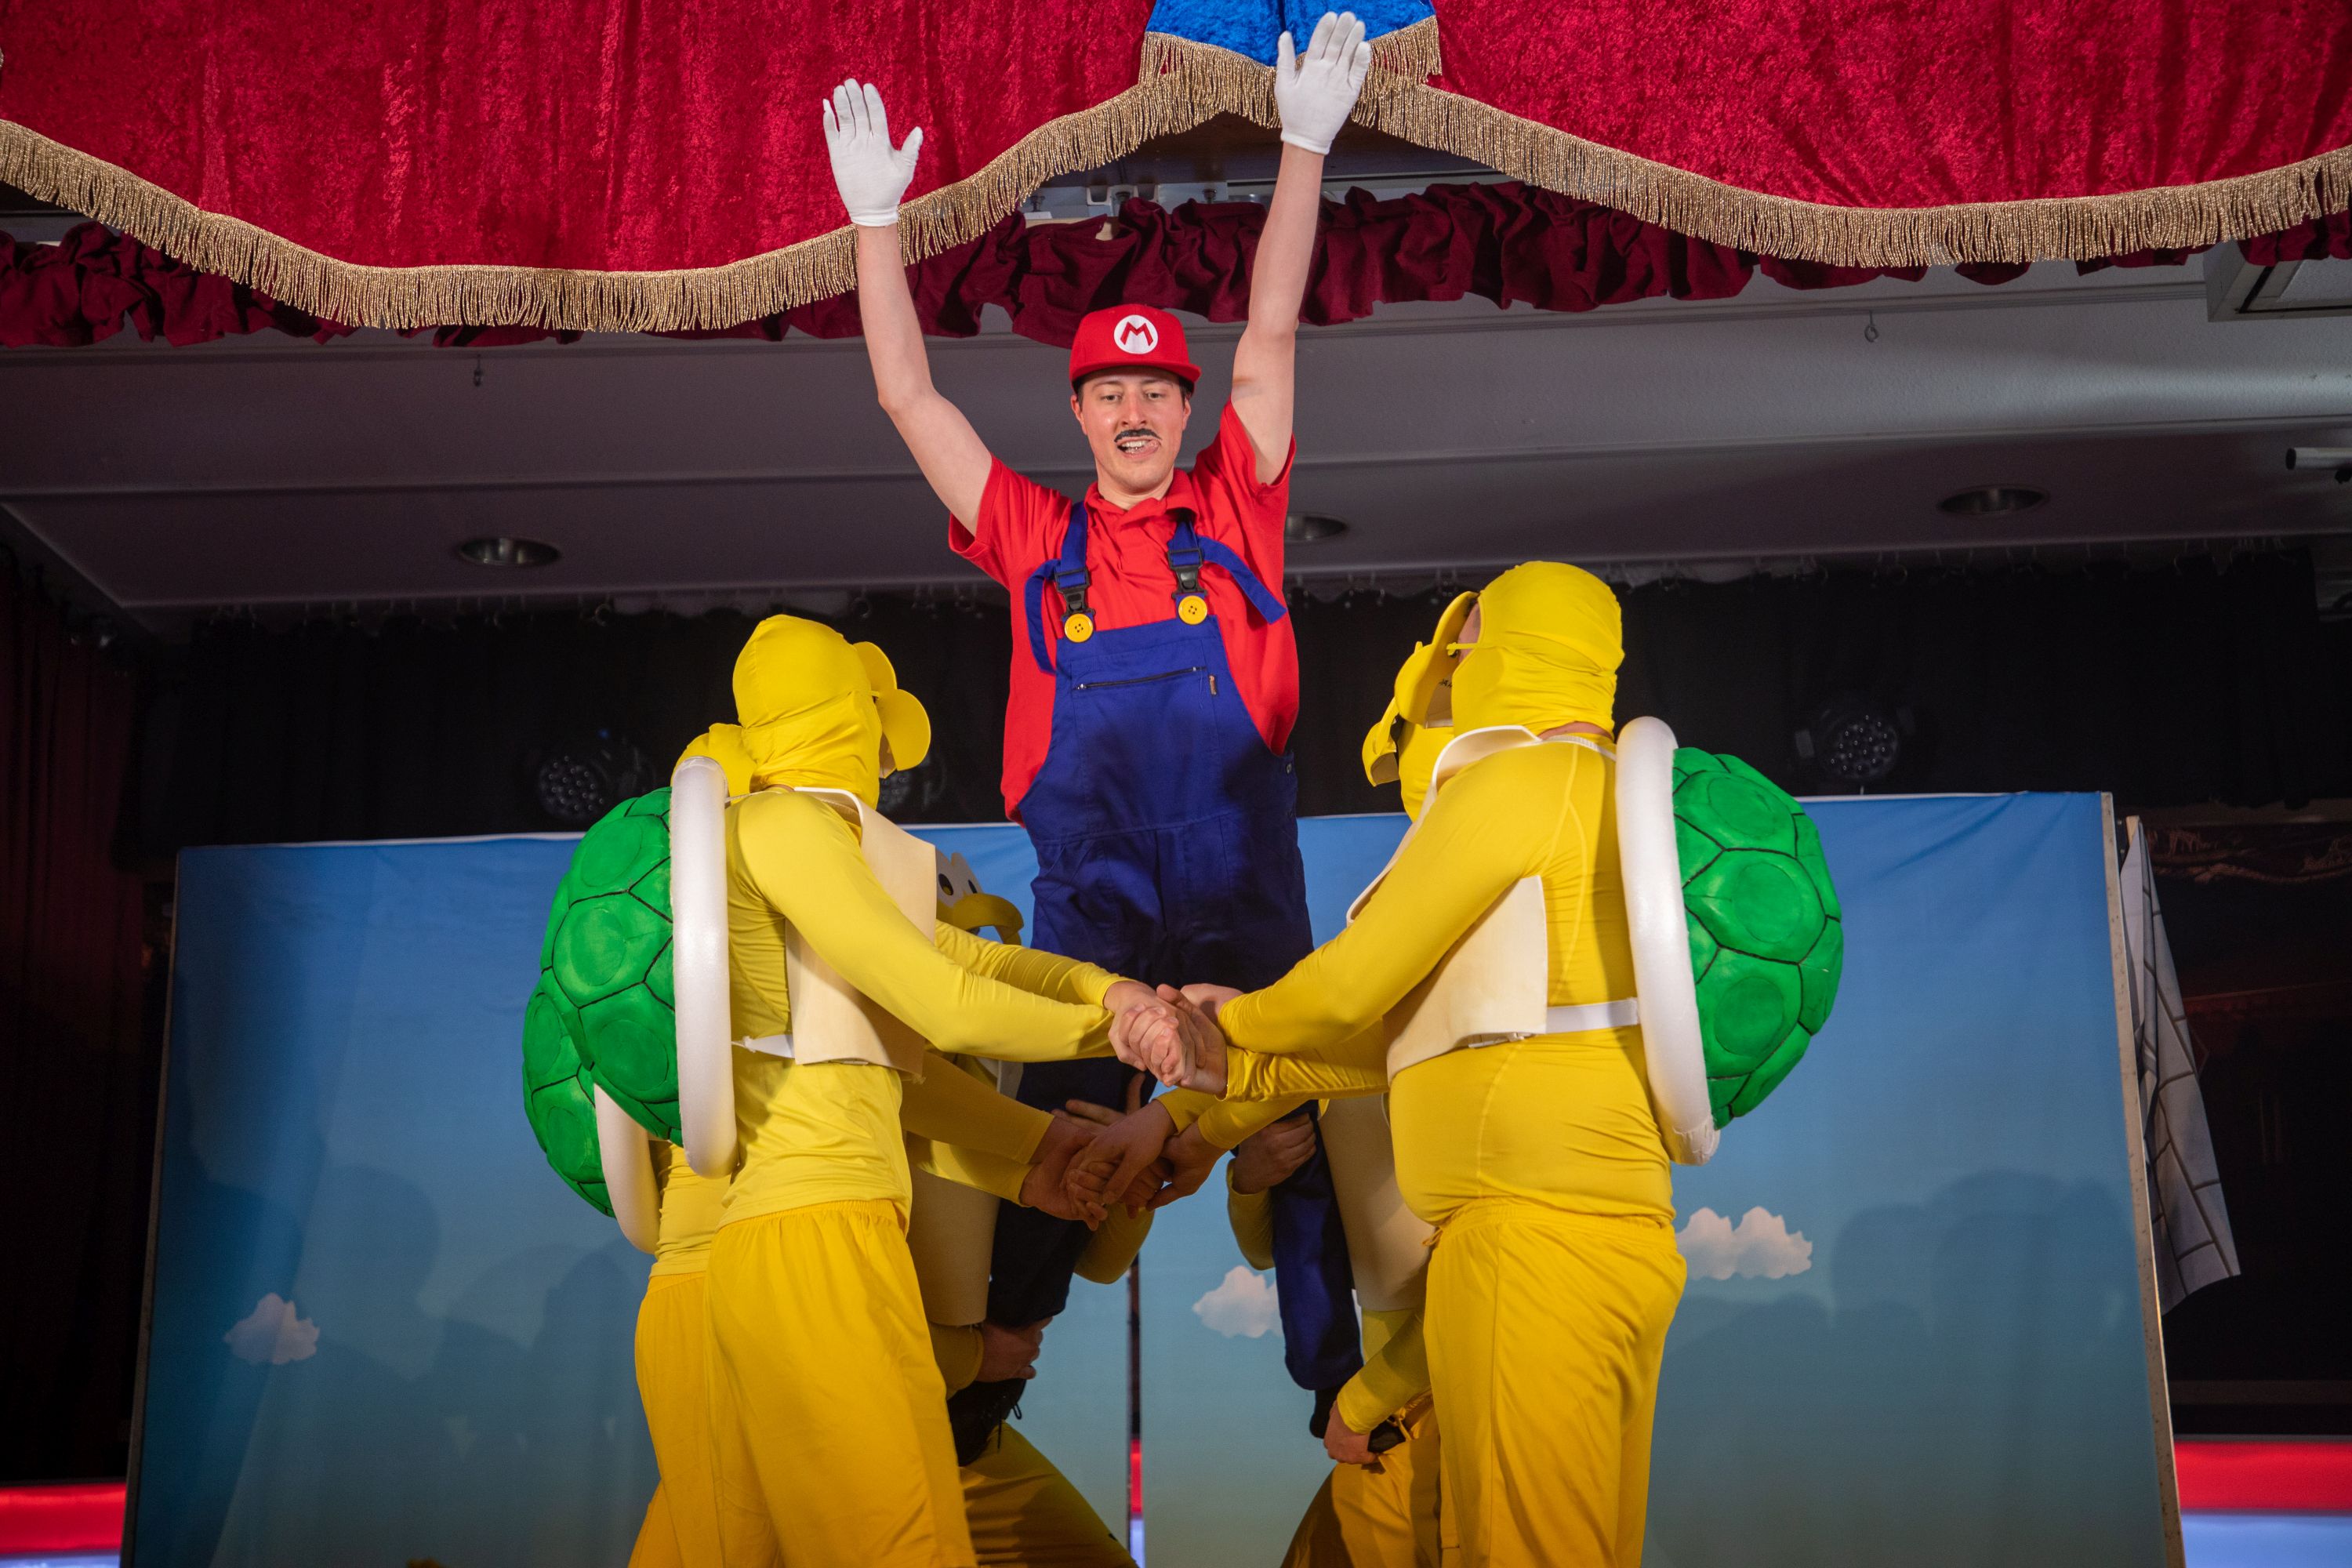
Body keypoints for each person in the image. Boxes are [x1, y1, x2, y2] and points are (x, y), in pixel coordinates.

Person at [821, 12, 1377, 1454]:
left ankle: (1340, 1395)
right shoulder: (1031, 537)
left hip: (1246, 892)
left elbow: (1269, 332)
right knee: (1052, 1139)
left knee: (1302, 1136)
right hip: (1097, 908)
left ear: (1183, 408)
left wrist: (1303, 147)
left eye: (1156, 390)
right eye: (1111, 391)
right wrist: (876, 227)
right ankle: (990, 1381)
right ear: (1080, 411)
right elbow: (907, 397)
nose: (1136, 410)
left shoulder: (1237, 505)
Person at [1117, 564, 1689, 1568]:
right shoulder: (1593, 798)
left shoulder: (1521, 780)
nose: (1452, 674)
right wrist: (1222, 1078)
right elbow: (1402, 1044)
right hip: (1582, 1230)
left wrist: (1228, 1022)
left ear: (1509, 649)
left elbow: (1351, 990)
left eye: (1465, 651)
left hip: (1528, 1234)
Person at [679, 615, 1175, 1568]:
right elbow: (943, 999)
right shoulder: (782, 824)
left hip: (834, 1224)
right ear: (849, 716)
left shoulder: (806, 842)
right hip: (813, 1233)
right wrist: (1122, 1025)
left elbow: (946, 989)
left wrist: (1106, 994)